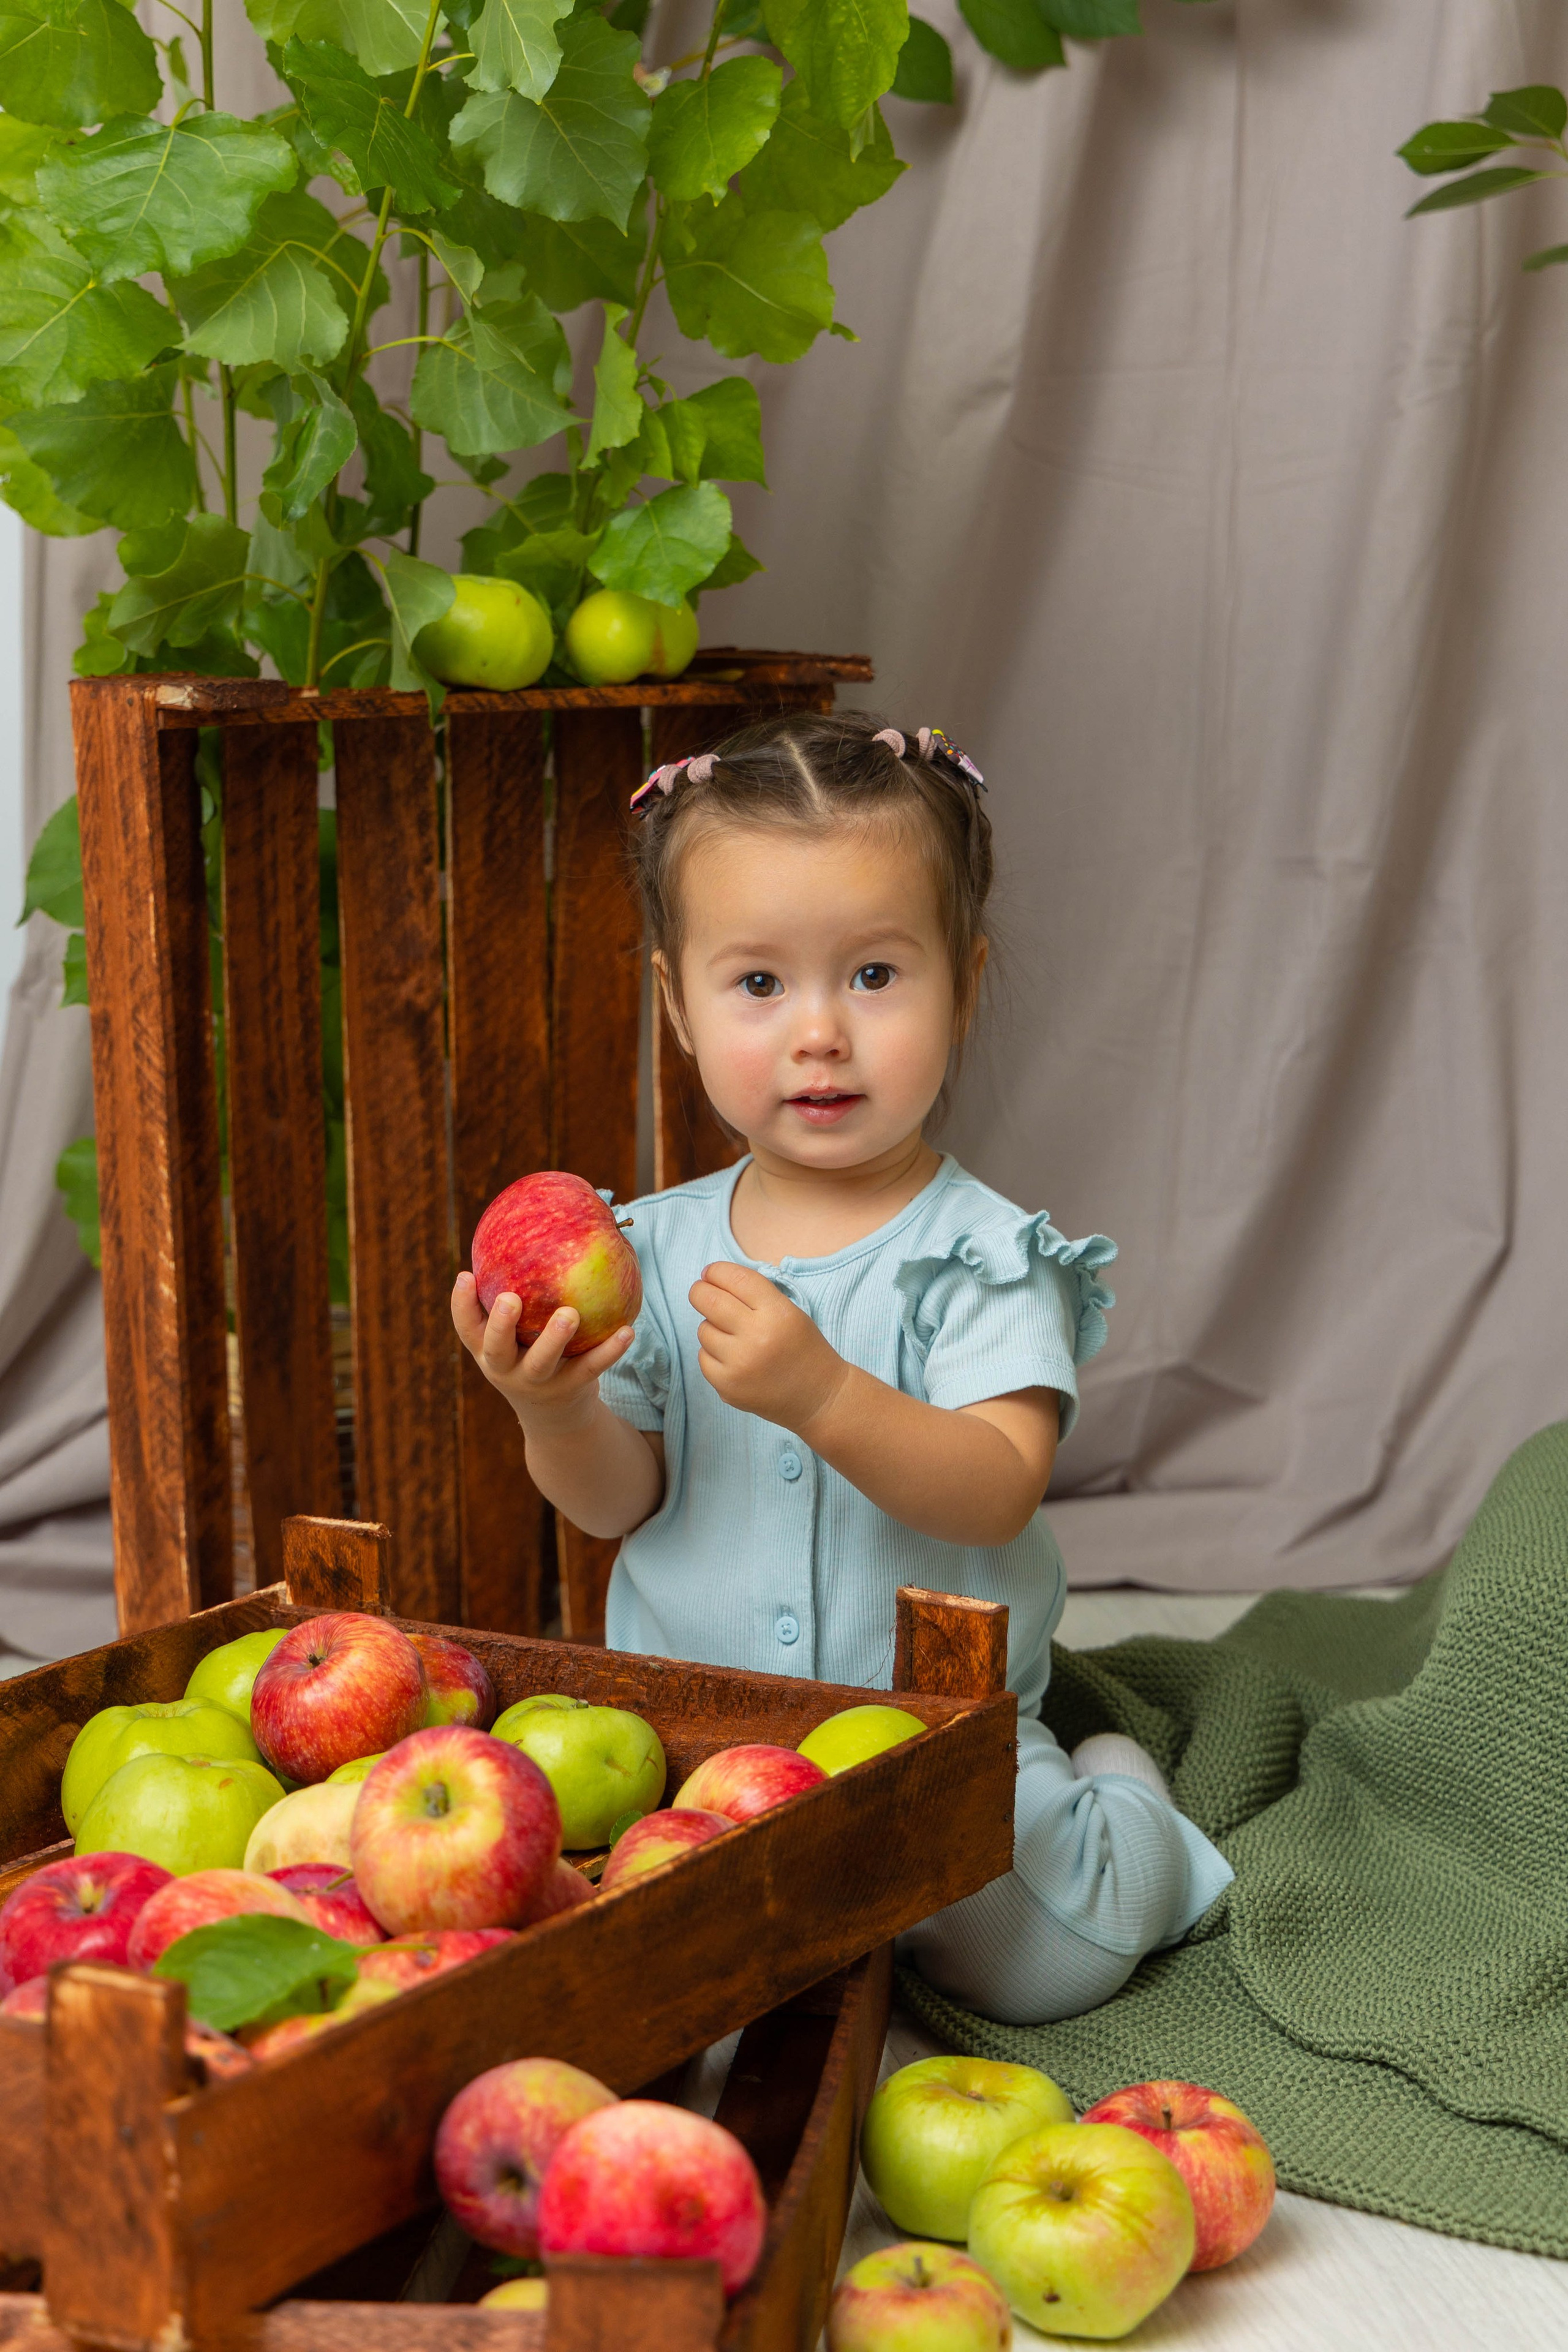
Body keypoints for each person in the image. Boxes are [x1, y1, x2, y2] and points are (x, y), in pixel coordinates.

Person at [451, 710, 1231, 2024]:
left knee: (1038, 1963)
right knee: (600, 1931)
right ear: (677, 1007)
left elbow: (994, 1487)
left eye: (873, 976)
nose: (819, 1033)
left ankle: (1124, 1819)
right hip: (688, 1741)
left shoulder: (981, 1258)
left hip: (920, 1744)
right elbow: (616, 1505)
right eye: (758, 985)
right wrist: (555, 1404)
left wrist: (824, 1394)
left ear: (963, 987)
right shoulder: (646, 1248)